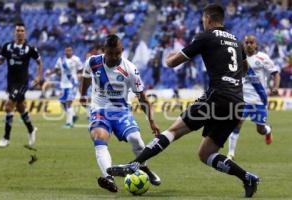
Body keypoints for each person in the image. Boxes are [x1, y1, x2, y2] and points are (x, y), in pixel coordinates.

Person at [107, 4, 260, 198]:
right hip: (237, 102)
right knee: (206, 154)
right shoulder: (237, 41)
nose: (203, 23)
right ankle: (247, 178)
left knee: (173, 131)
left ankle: (134, 164)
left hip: (217, 96)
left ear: (208, 19)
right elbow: (245, 69)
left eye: (203, 20)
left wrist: (166, 57)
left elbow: (172, 63)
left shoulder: (206, 36)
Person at [80, 34, 161, 193]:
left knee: (135, 140)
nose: (114, 57)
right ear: (104, 51)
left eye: (117, 53)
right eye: (110, 53)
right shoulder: (92, 62)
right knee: (99, 138)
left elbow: (142, 98)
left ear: (122, 50)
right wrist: (82, 94)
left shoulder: (130, 69)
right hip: (99, 110)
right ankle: (108, 178)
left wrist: (151, 121)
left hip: (122, 111)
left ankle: (144, 168)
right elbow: (86, 78)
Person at [227, 35, 280, 160]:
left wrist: (276, 87)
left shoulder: (263, 58)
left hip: (259, 99)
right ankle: (231, 154)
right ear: (243, 44)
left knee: (260, 130)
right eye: (247, 42)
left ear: (256, 44)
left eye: (251, 42)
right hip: (242, 99)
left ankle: (268, 130)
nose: (249, 45)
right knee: (237, 123)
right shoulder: (237, 58)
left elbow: (276, 73)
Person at [0, 22, 43, 147]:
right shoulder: (7, 47)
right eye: (18, 30)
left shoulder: (30, 48)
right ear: (14, 32)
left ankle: (6, 138)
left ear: (25, 33)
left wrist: (38, 76)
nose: (20, 32)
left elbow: (39, 63)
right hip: (10, 82)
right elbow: (2, 60)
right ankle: (31, 129)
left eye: (22, 30)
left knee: (9, 106)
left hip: (22, 82)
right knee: (20, 107)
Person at [46, 45, 83, 128]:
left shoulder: (76, 59)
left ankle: (69, 123)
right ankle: (73, 116)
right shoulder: (61, 60)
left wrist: (80, 77)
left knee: (68, 103)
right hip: (64, 84)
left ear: (72, 51)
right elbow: (56, 69)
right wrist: (50, 73)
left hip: (72, 84)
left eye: (70, 50)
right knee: (62, 102)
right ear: (64, 51)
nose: (68, 52)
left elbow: (81, 69)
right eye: (67, 51)